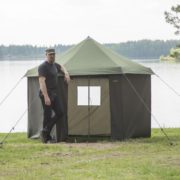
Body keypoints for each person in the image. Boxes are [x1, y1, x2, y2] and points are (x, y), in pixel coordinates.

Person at [38, 48, 70, 143]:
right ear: (46, 55)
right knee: (47, 115)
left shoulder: (54, 65)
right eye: (50, 54)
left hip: (54, 94)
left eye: (53, 54)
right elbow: (41, 82)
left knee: (60, 112)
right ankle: (46, 138)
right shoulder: (43, 67)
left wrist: (66, 74)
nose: (52, 56)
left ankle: (45, 131)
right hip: (46, 93)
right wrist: (46, 96)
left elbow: (61, 66)